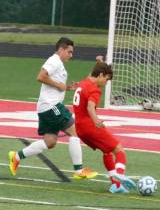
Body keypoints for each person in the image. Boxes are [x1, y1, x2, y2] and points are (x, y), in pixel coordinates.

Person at [8, 37, 97, 179]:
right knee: (75, 131)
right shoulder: (54, 61)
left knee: (50, 142)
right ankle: (79, 171)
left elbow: (56, 85)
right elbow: (41, 76)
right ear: (61, 49)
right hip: (51, 106)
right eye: (69, 52)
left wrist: (68, 87)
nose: (71, 55)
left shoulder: (58, 63)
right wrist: (59, 85)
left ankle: (16, 157)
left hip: (47, 107)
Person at [73, 60, 136, 193]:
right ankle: (119, 174)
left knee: (107, 151)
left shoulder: (83, 83)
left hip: (79, 129)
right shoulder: (94, 90)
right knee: (119, 150)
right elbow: (90, 106)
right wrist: (96, 120)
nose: (106, 83)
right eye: (106, 80)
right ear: (101, 75)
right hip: (90, 126)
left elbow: (92, 74)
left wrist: (99, 63)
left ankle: (116, 185)